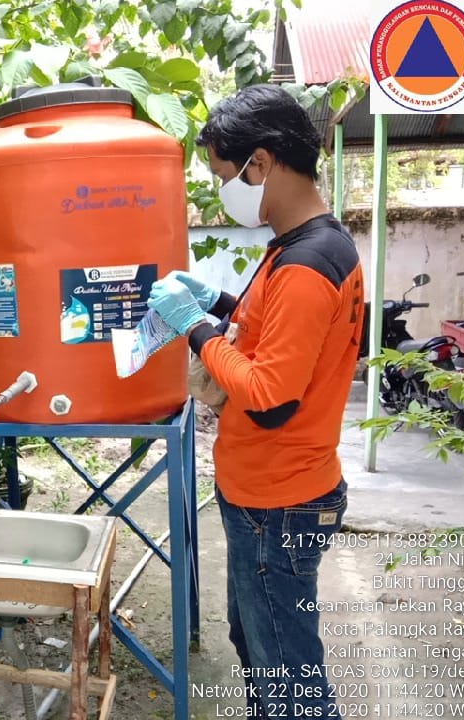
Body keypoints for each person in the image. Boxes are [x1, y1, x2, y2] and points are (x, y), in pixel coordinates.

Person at [149, 84, 364, 719]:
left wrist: (194, 327)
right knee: (261, 646)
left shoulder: (305, 264)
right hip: (273, 491)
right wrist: (216, 304)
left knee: (287, 672)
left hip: (280, 503)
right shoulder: (308, 245)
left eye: (226, 175)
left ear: (262, 163)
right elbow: (273, 333)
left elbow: (270, 395)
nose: (223, 190)